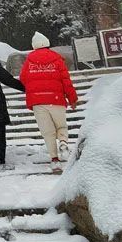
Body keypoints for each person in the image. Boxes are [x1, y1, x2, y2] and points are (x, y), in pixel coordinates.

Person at [20, 32, 78, 168]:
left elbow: (23, 79)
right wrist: (72, 98)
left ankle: (54, 160)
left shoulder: (29, 60)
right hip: (56, 99)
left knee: (48, 132)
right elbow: (66, 81)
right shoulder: (56, 58)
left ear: (34, 45)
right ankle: (63, 142)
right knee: (61, 126)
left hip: (38, 102)